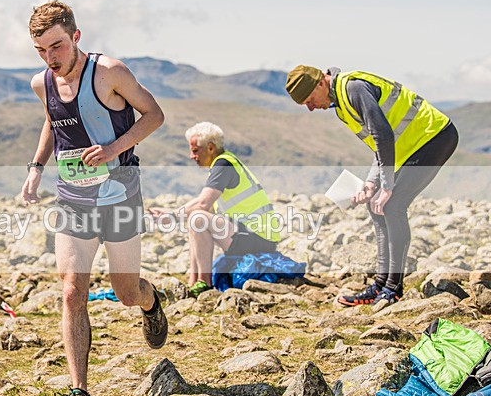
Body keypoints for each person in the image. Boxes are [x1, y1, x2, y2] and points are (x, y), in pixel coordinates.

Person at [21, 0, 168, 396]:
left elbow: (155, 114)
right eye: (42, 51)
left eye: (58, 47)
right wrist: (36, 169)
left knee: (125, 292)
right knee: (71, 290)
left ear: (76, 37)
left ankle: (150, 300)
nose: (52, 58)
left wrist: (113, 149)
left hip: (120, 190)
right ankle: (79, 395)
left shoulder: (109, 72)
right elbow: (53, 119)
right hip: (73, 197)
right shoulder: (41, 83)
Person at [285, 66, 459, 306]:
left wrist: (386, 185)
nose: (311, 108)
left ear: (320, 84)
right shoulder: (342, 106)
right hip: (412, 148)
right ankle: (380, 284)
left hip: (435, 137)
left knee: (393, 204)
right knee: (376, 206)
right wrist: (371, 183)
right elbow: (379, 146)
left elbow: (383, 135)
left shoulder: (353, 88)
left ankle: (393, 289)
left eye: (310, 100)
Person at [149, 122, 280, 296]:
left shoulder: (223, 165)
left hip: (258, 238)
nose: (191, 156)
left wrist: (171, 216)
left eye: (195, 151)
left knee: (198, 219)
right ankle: (193, 281)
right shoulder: (225, 163)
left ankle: (204, 282)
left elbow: (202, 204)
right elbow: (205, 206)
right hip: (254, 235)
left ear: (210, 148)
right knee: (196, 219)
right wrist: (170, 213)